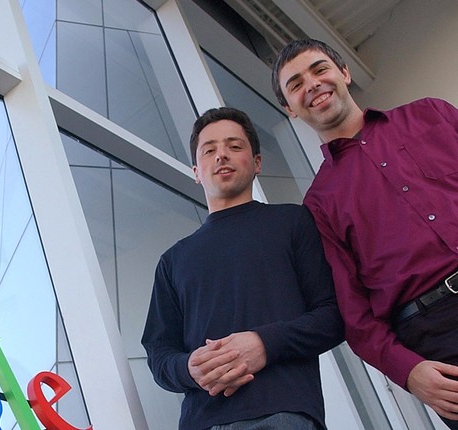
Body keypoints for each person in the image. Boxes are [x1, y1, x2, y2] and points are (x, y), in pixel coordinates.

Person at [272, 38, 458, 428]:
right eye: (296, 84)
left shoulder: (431, 114)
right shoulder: (319, 205)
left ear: (344, 72)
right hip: (441, 338)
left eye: (319, 69)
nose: (312, 84)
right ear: (290, 109)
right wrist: (407, 371)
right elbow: (354, 315)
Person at [141, 107, 344, 430]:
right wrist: (189, 368)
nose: (222, 155)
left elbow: (334, 314)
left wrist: (265, 343)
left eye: (235, 146)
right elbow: (159, 352)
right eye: (210, 150)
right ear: (196, 171)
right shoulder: (173, 260)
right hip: (200, 422)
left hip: (283, 415)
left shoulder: (293, 222)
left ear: (257, 163)